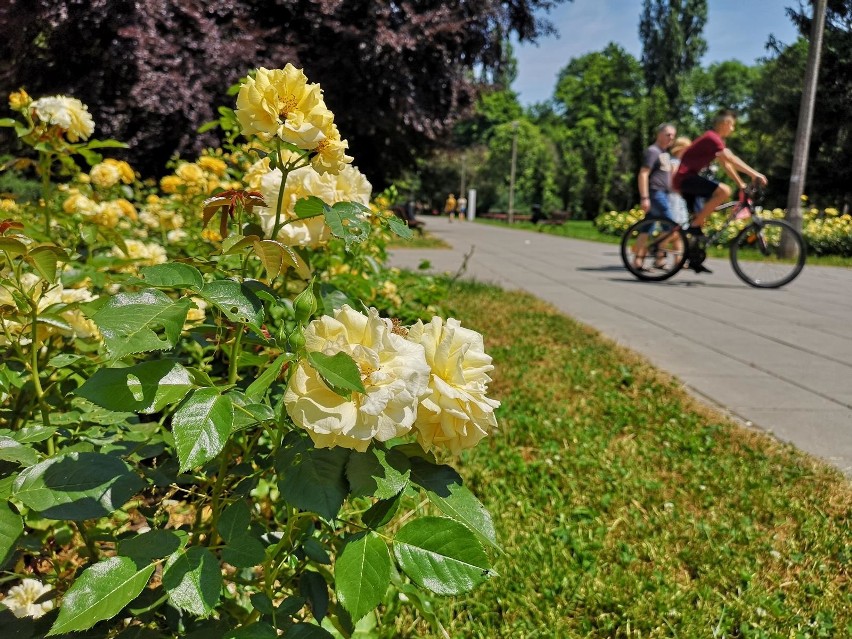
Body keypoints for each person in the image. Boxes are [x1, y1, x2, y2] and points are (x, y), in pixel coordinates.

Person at [673, 109, 767, 274]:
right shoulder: (712, 138)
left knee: (700, 217)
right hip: (685, 179)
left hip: (687, 179)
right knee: (724, 191)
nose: (733, 129)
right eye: (732, 126)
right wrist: (755, 174)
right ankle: (693, 227)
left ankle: (693, 258)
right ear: (726, 124)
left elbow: (726, 164)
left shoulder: (714, 141)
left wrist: (741, 184)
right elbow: (730, 158)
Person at [634, 123, 681, 271]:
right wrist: (644, 197)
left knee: (647, 228)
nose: (671, 138)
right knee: (672, 226)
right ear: (659, 134)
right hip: (656, 194)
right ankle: (657, 254)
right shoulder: (653, 151)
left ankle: (639, 262)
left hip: (664, 194)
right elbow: (643, 174)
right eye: (668, 134)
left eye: (673, 135)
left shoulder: (665, 154)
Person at [668, 136, 692, 227]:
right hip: (674, 197)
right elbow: (673, 180)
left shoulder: (679, 162)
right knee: (676, 227)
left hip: (679, 197)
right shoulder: (674, 163)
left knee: (679, 229)